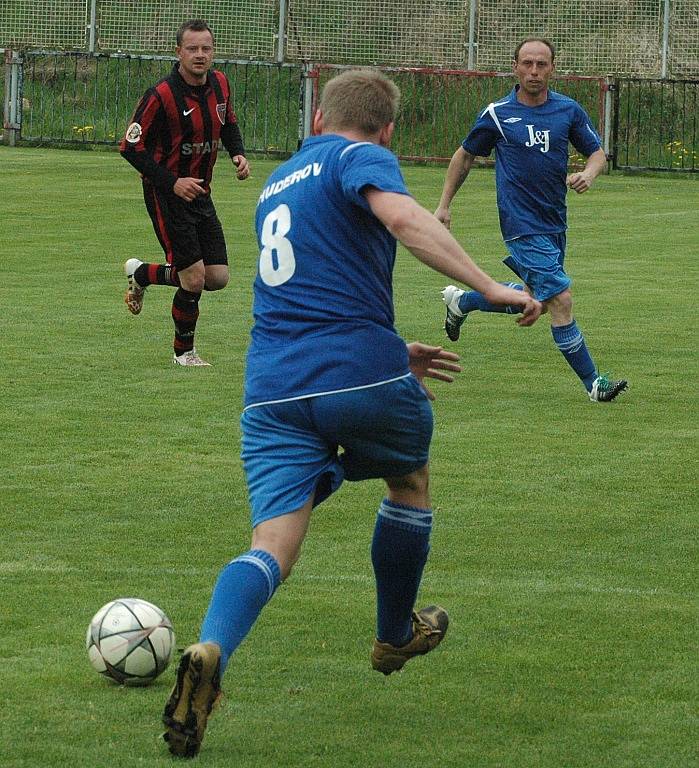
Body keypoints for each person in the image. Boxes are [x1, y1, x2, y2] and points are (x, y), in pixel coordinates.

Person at [161, 68, 542, 759]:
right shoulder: (358, 154)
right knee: (409, 480)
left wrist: (392, 348)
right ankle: (394, 630)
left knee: (271, 543)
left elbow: (312, 288)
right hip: (357, 376)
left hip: (271, 388)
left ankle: (212, 645)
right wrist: (490, 286)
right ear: (387, 130)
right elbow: (402, 217)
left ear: (314, 118)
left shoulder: (279, 183)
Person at [434, 37, 628, 402]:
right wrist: (444, 205)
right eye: (527, 64)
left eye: (541, 64)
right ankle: (594, 384)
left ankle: (462, 302)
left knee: (532, 298)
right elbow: (464, 156)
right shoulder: (497, 114)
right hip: (521, 226)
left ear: (552, 67)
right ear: (515, 67)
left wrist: (589, 173)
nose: (534, 71)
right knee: (560, 301)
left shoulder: (567, 111)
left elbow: (597, 153)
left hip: (555, 222)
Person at [119, 19, 250, 366]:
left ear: (213, 51)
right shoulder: (160, 95)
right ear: (178, 52)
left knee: (217, 278)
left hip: (200, 193)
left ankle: (143, 273)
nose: (200, 55)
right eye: (192, 49)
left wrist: (237, 152)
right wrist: (172, 181)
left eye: (206, 48)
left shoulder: (220, 84)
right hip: (167, 195)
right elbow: (131, 148)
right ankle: (184, 353)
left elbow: (229, 123)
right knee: (193, 279)